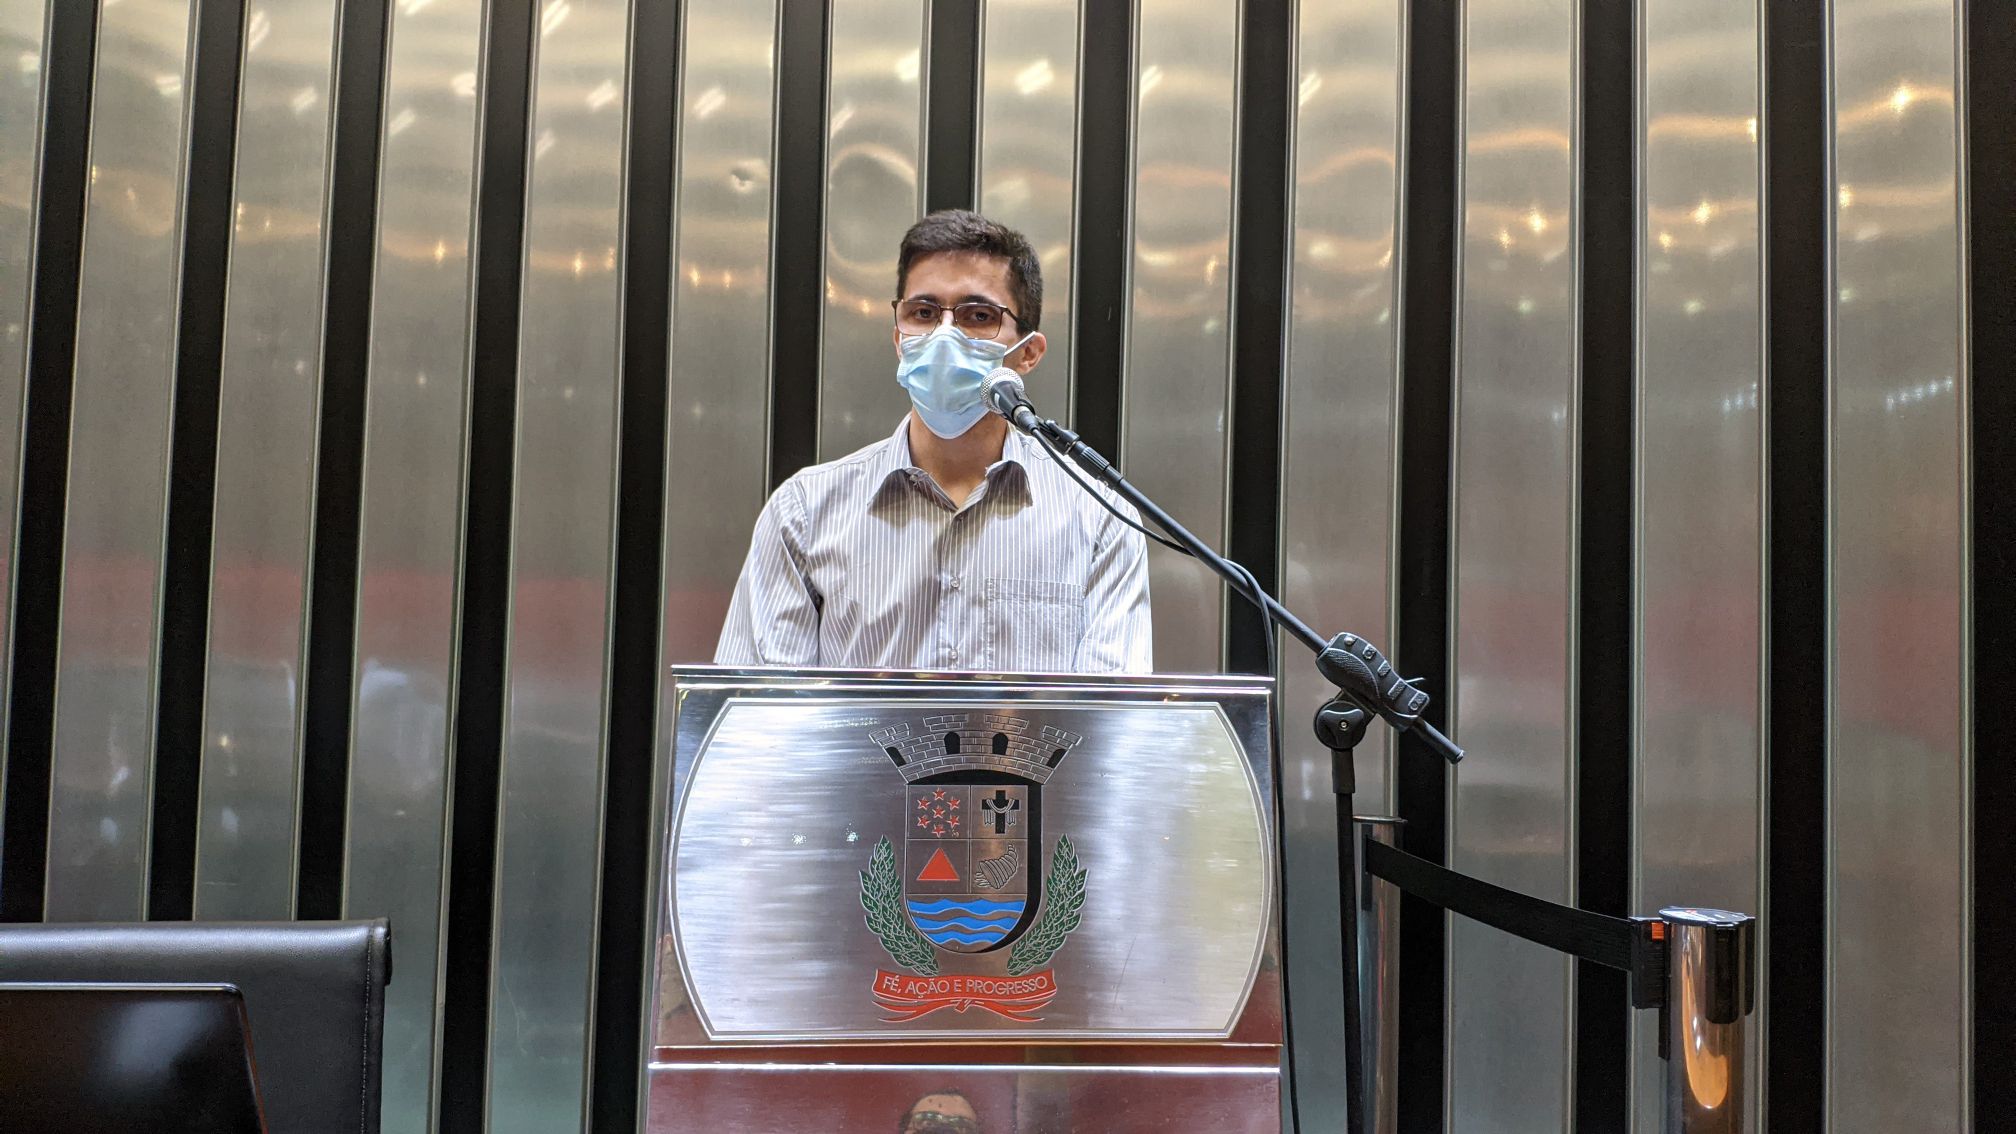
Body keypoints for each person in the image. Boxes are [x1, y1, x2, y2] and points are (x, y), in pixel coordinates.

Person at [714, 209, 1152, 673]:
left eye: (978, 316)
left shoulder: (1099, 517)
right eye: (923, 313)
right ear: (899, 339)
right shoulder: (804, 513)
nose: (944, 335)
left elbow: (1109, 710)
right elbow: (757, 706)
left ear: (1028, 353)